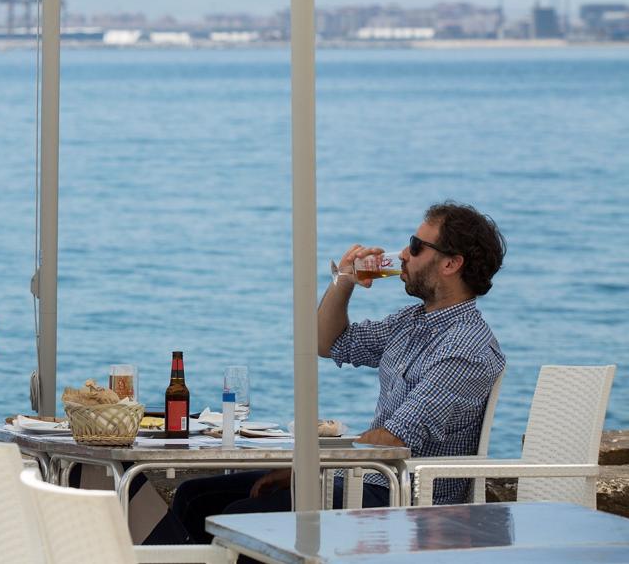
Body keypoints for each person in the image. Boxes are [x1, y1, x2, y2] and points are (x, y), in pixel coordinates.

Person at [171, 201, 506, 541]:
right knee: (195, 498)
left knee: (237, 519)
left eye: (416, 246)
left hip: (402, 501)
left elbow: (393, 440)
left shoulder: (464, 350)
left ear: (451, 263)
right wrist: (345, 279)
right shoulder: (413, 321)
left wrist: (307, 469)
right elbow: (326, 342)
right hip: (366, 479)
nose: (403, 254)